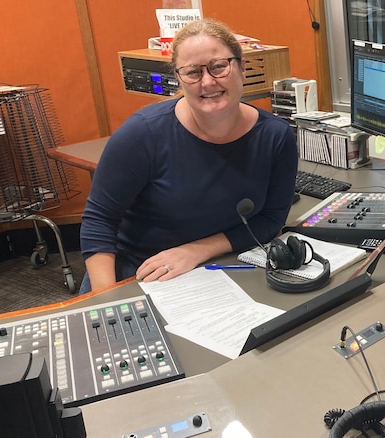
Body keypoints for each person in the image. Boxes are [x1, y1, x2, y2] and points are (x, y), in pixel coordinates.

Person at [80, 18, 297, 293]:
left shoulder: (276, 137)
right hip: (138, 275)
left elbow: (270, 220)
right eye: (193, 72)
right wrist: (108, 302)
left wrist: (196, 251)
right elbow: (98, 222)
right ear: (179, 78)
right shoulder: (142, 134)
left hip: (215, 269)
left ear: (242, 68)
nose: (207, 82)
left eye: (219, 67)